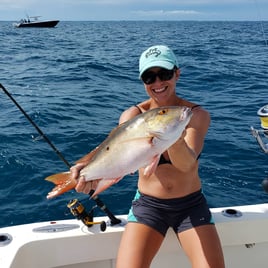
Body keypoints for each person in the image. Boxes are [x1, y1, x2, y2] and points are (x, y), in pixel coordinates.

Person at [74, 45, 225, 268]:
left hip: (190, 206)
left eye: (164, 74)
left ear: (177, 73)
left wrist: (171, 133)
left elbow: (185, 165)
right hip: (148, 206)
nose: (157, 83)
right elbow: (116, 156)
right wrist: (88, 173)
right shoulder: (133, 115)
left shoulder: (194, 115)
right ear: (142, 81)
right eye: (149, 77)